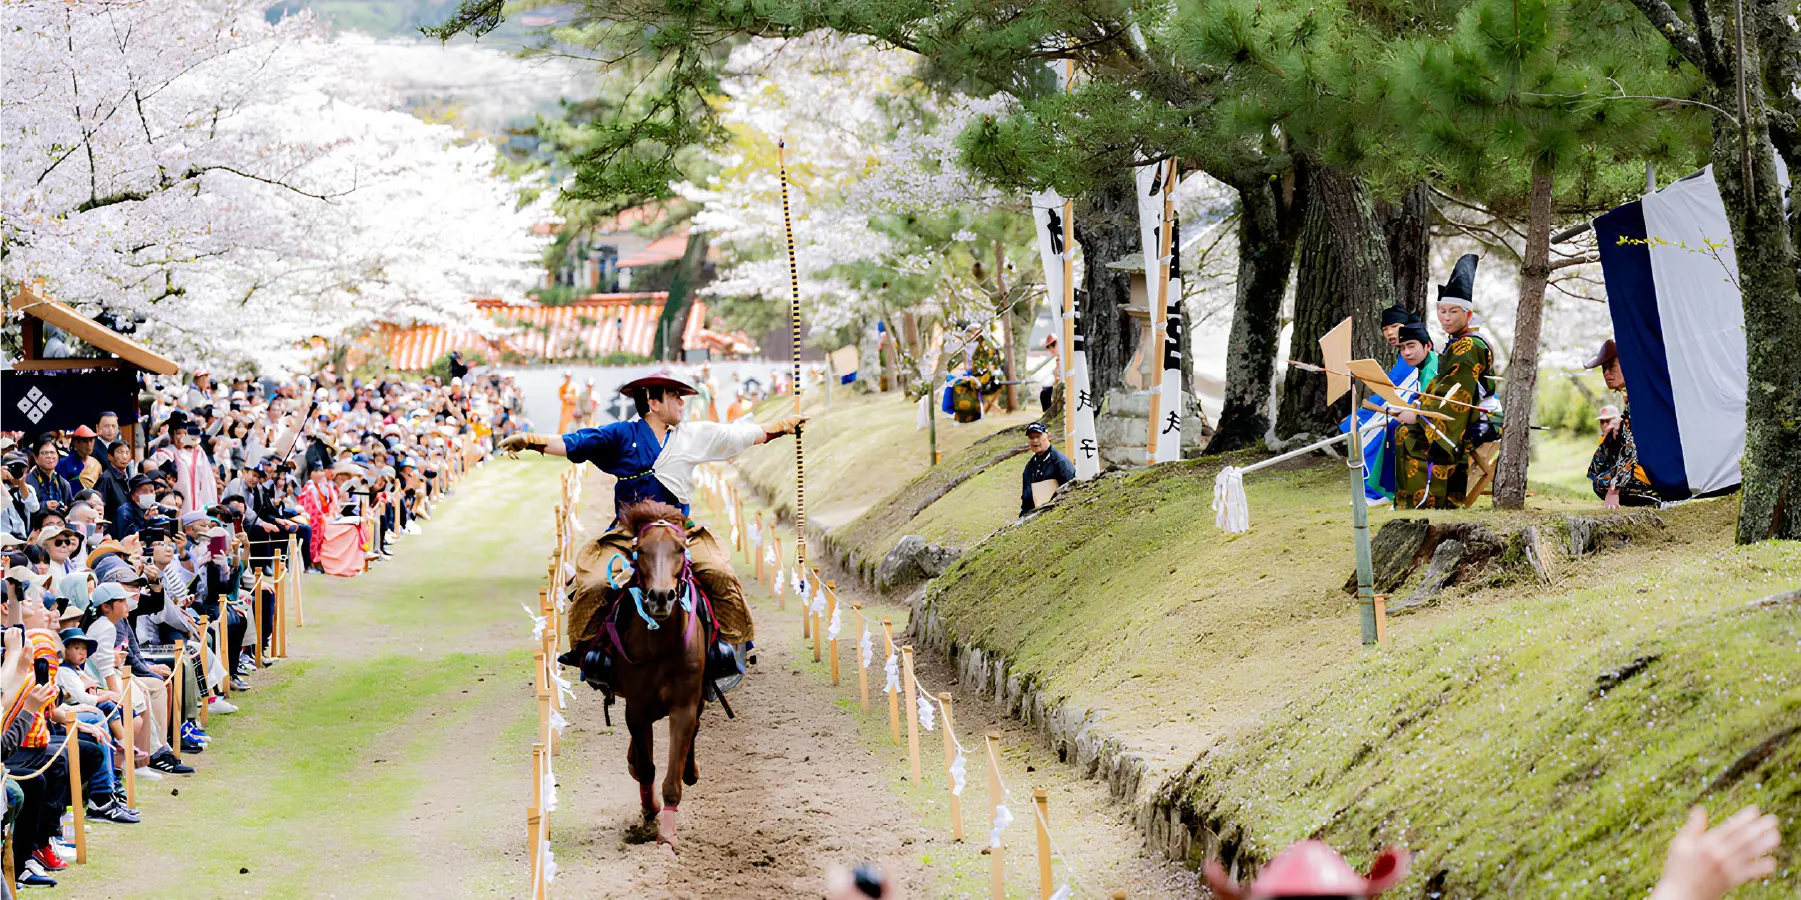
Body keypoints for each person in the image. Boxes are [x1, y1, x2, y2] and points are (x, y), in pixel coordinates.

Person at [498, 375, 803, 681]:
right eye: (674, 396)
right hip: (628, 533)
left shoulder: (692, 435)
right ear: (653, 403)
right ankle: (589, 653)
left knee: (720, 572)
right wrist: (532, 441)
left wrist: (783, 426)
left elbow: (740, 435)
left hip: (678, 532)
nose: (682, 402)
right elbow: (575, 442)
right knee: (592, 584)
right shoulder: (620, 435)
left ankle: (729, 644)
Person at [1394, 254, 1499, 509]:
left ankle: (1428, 504)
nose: (1446, 317)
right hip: (1457, 414)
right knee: (1403, 431)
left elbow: (1456, 394)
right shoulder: (1456, 343)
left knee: (1410, 434)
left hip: (1477, 420)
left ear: (1469, 314)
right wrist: (1418, 404)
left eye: (1453, 311)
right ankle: (1413, 504)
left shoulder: (1468, 346)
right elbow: (1442, 385)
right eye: (1441, 311)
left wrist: (1419, 415)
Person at [1344, 321, 1439, 502]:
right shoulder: (1423, 366)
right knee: (1391, 426)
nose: (1407, 353)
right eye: (1403, 348)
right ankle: (1385, 490)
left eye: (1411, 346)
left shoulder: (1433, 368)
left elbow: (1433, 403)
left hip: (1449, 426)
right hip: (1426, 419)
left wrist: (1414, 412)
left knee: (1396, 429)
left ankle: (1386, 491)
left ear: (1428, 346)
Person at [1584, 338, 1660, 508]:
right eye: (1603, 369)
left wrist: (1614, 489)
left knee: (1602, 483)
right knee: (1610, 443)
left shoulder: (1641, 396)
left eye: (1611, 367)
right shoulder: (1636, 394)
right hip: (1654, 464)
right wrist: (1620, 420)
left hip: (1659, 469)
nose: (1606, 374)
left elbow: (1632, 446)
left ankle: (1654, 496)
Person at [1018, 422, 1076, 516]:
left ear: (1048, 436)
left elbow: (1072, 490)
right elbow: (1026, 500)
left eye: (1038, 436)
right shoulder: (1029, 467)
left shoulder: (1061, 462)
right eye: (1031, 437)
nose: (1035, 440)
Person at [25, 438, 74, 521]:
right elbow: (24, 509)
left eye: (52, 452)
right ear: (36, 458)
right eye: (44, 453)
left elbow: (70, 507)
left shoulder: (64, 484)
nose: (49, 456)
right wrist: (44, 505)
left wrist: (64, 508)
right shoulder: (27, 481)